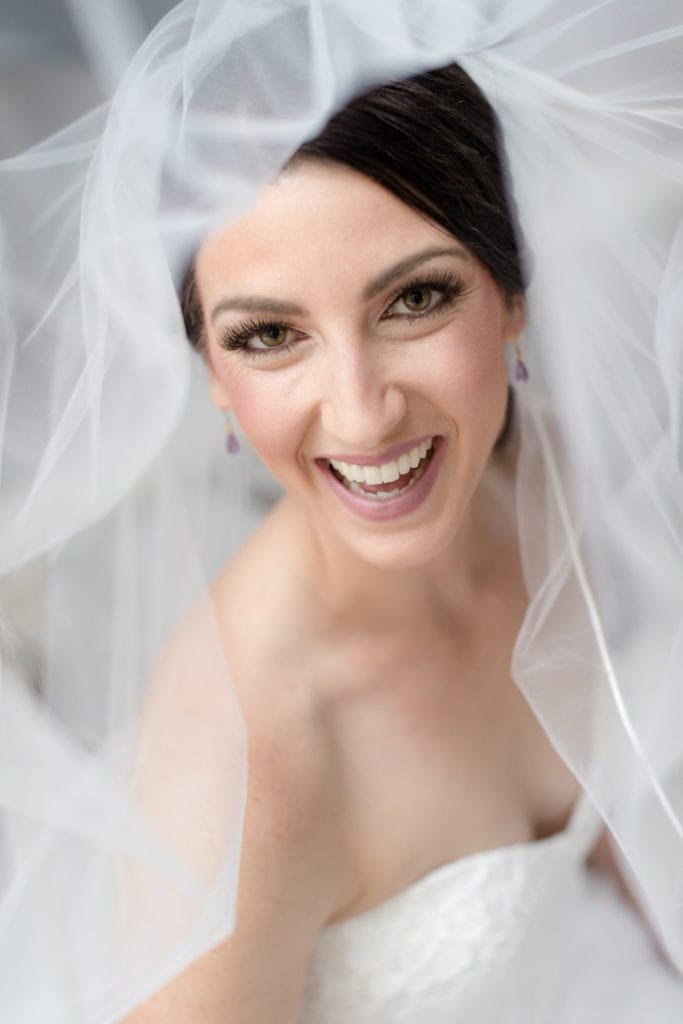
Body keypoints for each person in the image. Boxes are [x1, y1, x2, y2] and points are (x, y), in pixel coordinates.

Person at [0, 2, 682, 1022]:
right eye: (270, 334)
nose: (361, 415)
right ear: (210, 375)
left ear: (510, 294)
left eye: (413, 300)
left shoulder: (548, 477)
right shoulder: (251, 771)